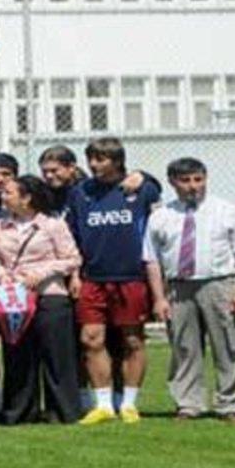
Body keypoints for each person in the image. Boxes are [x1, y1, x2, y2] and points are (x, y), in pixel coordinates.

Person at [143, 158, 235, 422]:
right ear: (173, 182)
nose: (193, 186)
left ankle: (230, 404)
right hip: (179, 287)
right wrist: (159, 298)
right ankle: (189, 403)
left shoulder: (227, 210)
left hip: (219, 282)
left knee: (228, 345)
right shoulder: (161, 216)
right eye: (186, 181)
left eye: (198, 179)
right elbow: (152, 260)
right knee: (184, 347)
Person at [65, 137, 162, 425]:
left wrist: (144, 176)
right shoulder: (81, 192)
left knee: (132, 340)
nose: (94, 165)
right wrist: (75, 274)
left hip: (130, 277)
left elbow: (158, 189)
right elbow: (72, 237)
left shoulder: (140, 188)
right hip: (93, 278)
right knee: (91, 339)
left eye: (101, 159)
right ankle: (104, 405)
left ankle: (129, 404)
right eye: (91, 159)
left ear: (117, 161)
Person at [0, 176, 83, 424]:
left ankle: (61, 410)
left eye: (9, 192)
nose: (3, 196)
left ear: (27, 198)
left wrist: (42, 273)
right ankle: (19, 411)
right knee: (17, 354)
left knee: (56, 355)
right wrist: (2, 276)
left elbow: (72, 258)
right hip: (14, 298)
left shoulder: (53, 225)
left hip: (50, 295)